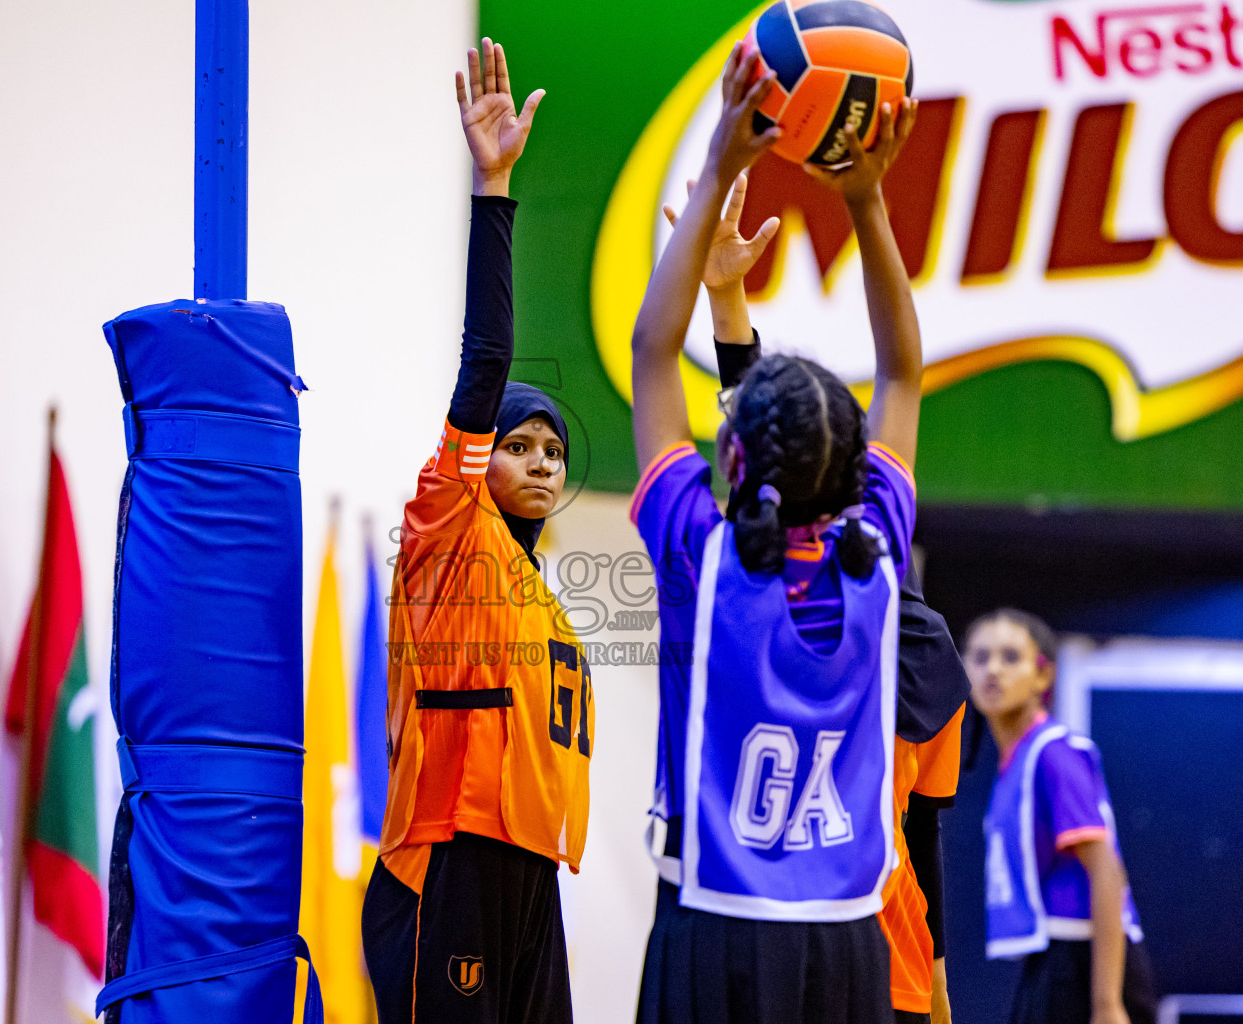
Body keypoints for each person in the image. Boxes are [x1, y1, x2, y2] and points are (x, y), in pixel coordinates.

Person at [629, 36, 924, 1023]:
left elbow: (647, 351)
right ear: (854, 472)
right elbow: (906, 375)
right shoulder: (876, 552)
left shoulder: (701, 558)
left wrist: (720, 164)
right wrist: (870, 201)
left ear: (736, 462)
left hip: (715, 931)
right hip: (845, 943)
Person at [676, 167, 969, 1023]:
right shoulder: (910, 634)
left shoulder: (736, 600)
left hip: (766, 936)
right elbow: (924, 835)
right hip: (871, 953)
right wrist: (870, 197)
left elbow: (761, 449)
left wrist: (723, 300)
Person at [360, 38, 592, 1024]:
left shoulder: (537, 592)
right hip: (446, 861)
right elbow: (485, 362)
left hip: (528, 870)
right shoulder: (447, 524)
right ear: (476, 458)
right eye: (520, 443)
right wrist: (493, 187)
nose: (541, 460)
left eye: (555, 449)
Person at [964, 609, 1157, 1024]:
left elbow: (1106, 870)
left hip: (1087, 963)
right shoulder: (1015, 761)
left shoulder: (1054, 753)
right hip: (1053, 959)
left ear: (1043, 676)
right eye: (980, 658)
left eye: (1010, 657)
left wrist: (1107, 1004)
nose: (993, 670)